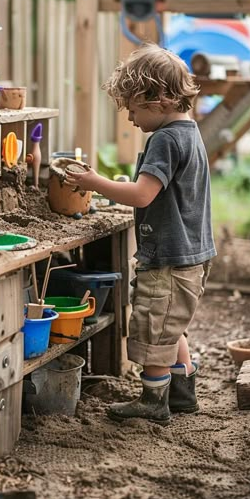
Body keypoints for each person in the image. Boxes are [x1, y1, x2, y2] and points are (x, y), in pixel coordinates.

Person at [65, 44, 216, 424]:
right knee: (170, 326)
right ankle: (182, 393)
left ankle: (153, 402)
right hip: (191, 254)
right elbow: (161, 189)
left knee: (152, 330)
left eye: (132, 107)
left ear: (158, 98)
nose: (129, 117)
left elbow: (143, 193)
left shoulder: (165, 140)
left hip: (168, 258)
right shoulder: (189, 132)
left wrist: (94, 182)